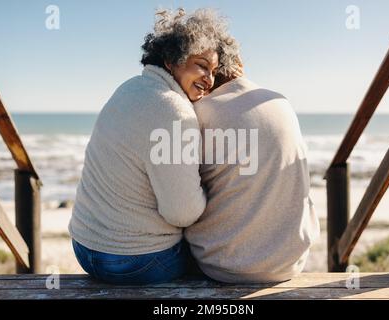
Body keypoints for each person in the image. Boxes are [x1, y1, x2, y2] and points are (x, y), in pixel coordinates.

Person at [68, 8, 240, 285]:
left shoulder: (129, 88)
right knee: (220, 259)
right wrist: (210, 187)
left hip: (84, 248)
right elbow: (182, 213)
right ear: (172, 59)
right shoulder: (175, 111)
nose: (209, 79)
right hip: (136, 261)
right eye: (201, 65)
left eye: (213, 71)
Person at [185, 57, 321, 283]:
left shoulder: (199, 112)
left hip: (223, 266)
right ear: (239, 62)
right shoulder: (281, 102)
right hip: (290, 263)